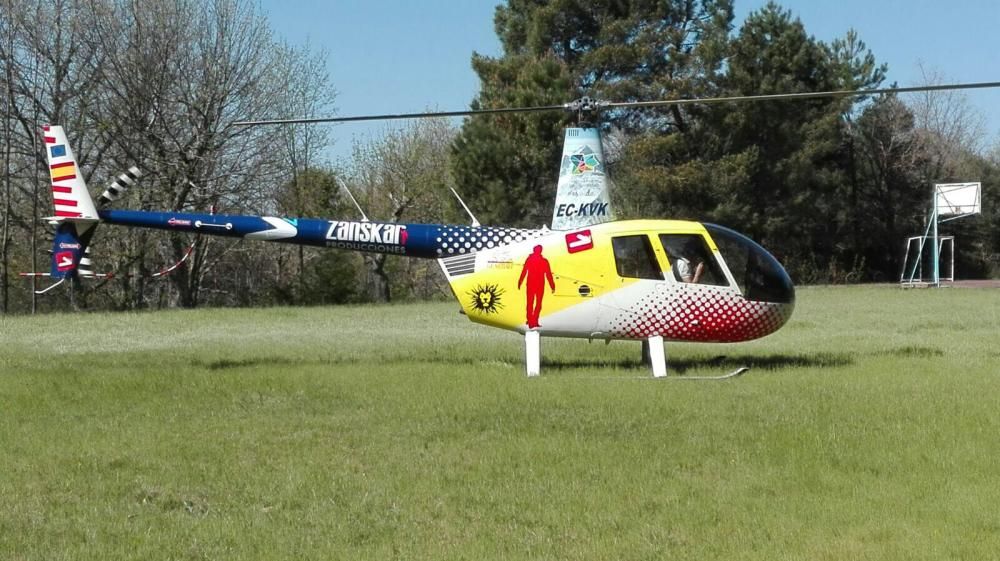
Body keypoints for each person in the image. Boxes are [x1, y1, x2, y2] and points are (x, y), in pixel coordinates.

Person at [518, 245, 556, 329]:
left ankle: (532, 321)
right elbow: (548, 274)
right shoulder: (543, 261)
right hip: (538, 284)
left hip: (533, 284)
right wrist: (552, 286)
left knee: (531, 303)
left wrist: (520, 282)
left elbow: (524, 271)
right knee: (536, 304)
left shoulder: (532, 260)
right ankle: (533, 321)